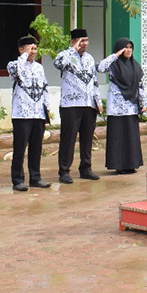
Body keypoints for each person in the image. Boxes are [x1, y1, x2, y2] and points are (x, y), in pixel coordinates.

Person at [54, 28, 102, 184]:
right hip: (71, 105)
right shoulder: (65, 55)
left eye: (87, 40)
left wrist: (98, 102)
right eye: (82, 40)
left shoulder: (89, 58)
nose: (85, 43)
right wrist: (73, 49)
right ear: (73, 41)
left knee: (87, 138)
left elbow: (94, 81)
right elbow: (58, 64)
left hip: (89, 104)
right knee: (68, 139)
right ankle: (64, 171)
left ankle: (86, 168)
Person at [6, 36, 51, 191]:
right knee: (20, 148)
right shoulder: (14, 64)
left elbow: (44, 87)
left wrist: (47, 107)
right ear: (21, 49)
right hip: (21, 114)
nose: (33, 51)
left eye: (35, 48)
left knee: (36, 147)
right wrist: (24, 56)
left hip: (38, 113)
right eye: (30, 48)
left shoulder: (39, 67)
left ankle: (35, 177)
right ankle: (17, 180)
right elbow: (17, 72)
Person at [98, 38, 146, 174]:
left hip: (131, 107)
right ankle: (118, 165)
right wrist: (115, 55)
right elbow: (100, 67)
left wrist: (144, 103)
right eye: (126, 47)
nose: (129, 50)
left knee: (131, 136)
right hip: (116, 108)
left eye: (131, 47)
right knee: (117, 137)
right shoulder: (113, 65)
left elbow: (140, 85)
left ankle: (131, 164)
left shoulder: (135, 66)